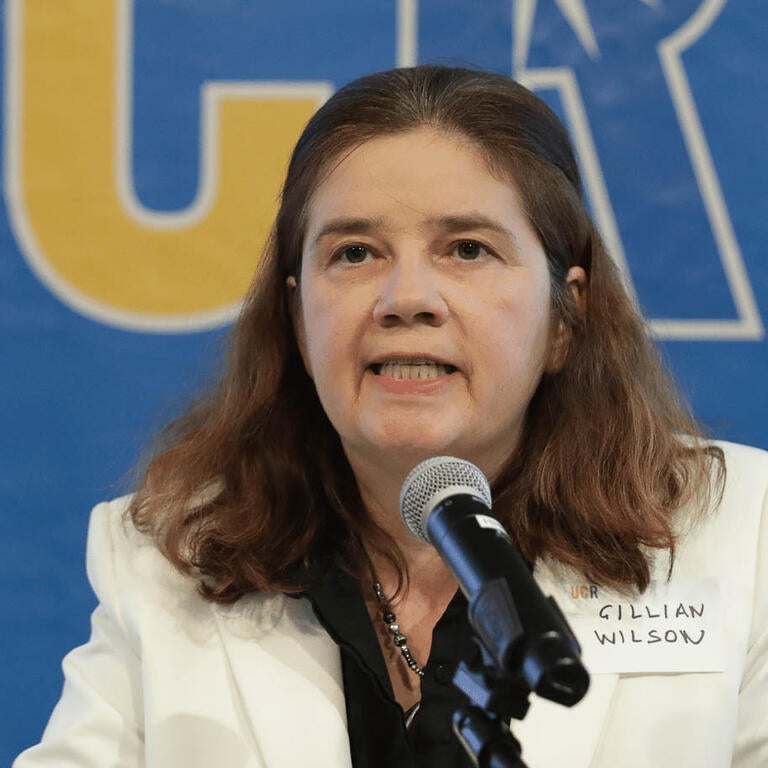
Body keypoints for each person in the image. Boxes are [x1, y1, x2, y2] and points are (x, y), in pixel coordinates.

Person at [13, 65, 767, 768]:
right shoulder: (170, 558)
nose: (406, 299)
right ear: (298, 319)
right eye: (355, 254)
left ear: (563, 319)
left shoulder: (746, 533)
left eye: (466, 248)